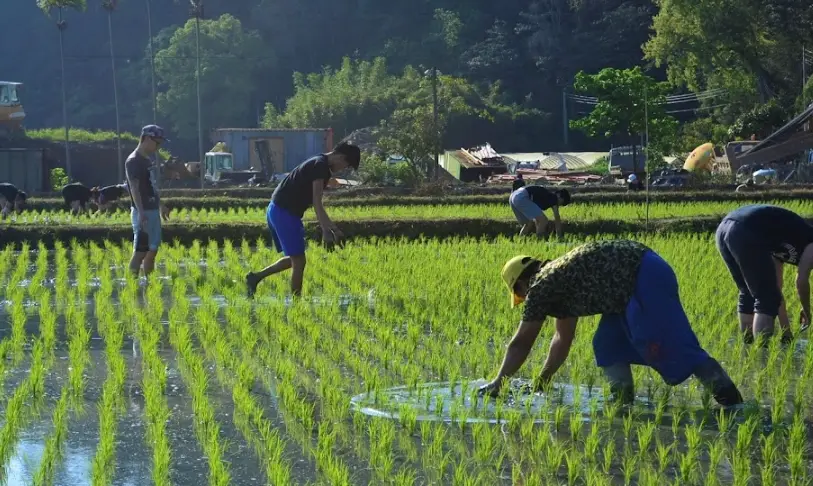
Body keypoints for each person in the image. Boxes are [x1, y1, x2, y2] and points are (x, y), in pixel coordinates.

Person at [478, 240, 744, 407]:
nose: (525, 300)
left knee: (671, 342)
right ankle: (623, 401)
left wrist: (498, 382)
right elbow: (562, 338)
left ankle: (730, 399)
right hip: (636, 276)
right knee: (608, 344)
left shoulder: (541, 286)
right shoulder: (558, 280)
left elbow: (522, 342)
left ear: (523, 283)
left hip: (643, 275)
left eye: (521, 295)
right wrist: (543, 380)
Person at [246, 141, 361, 298]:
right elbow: (317, 202)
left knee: (295, 257)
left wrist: (335, 230)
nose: (343, 169)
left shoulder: (321, 165)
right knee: (299, 261)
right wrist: (326, 231)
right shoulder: (320, 166)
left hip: (281, 211)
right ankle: (296, 305)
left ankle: (255, 277)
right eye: (345, 165)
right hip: (283, 212)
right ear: (340, 157)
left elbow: (317, 202)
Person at [715, 204, 813, 344]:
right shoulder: (810, 240)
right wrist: (807, 311)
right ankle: (762, 354)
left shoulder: (780, 242)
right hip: (745, 229)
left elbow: (776, 288)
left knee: (749, 291)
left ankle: (748, 349)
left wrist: (786, 332)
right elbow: (801, 280)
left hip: (725, 229)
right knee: (766, 298)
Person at [125, 125, 169, 278]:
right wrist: (141, 213)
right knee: (140, 252)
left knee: (153, 250)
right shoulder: (133, 161)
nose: (158, 146)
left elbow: (152, 186)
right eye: (157, 142)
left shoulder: (146, 160)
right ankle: (132, 284)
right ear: (146, 138)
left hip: (152, 209)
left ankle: (150, 283)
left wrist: (160, 204)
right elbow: (134, 188)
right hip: (142, 212)